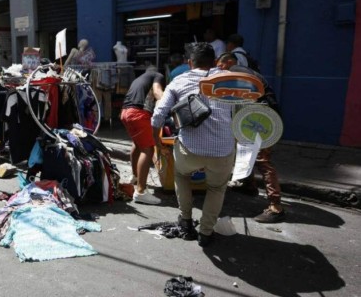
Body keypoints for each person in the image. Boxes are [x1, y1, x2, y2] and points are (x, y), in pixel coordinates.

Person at [152, 43, 235, 247]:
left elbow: (157, 117)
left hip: (189, 150)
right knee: (216, 188)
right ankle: (206, 233)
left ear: (190, 63)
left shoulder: (179, 80)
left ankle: (186, 221)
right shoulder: (228, 80)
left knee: (181, 176)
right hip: (223, 150)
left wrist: (157, 143)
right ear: (215, 62)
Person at [217, 52, 285, 223]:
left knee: (263, 160)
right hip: (256, 116)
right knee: (245, 150)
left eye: (220, 65)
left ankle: (276, 207)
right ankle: (249, 185)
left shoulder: (236, 71)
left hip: (260, 118)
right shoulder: (244, 72)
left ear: (229, 62)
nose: (219, 70)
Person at [121, 66, 165, 204]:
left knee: (137, 144)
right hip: (138, 114)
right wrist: (170, 103)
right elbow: (158, 92)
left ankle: (135, 177)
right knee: (148, 149)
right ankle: (140, 191)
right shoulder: (157, 75)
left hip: (125, 112)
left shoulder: (138, 79)